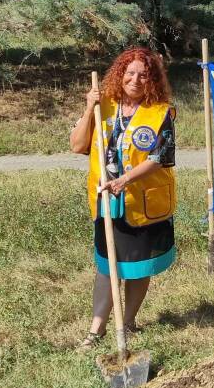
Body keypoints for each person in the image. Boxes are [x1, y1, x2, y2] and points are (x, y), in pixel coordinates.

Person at [69, 46, 177, 349]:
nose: (136, 79)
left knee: (138, 266)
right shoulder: (104, 105)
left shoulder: (161, 112)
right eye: (130, 72)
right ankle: (96, 330)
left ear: (152, 79)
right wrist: (89, 108)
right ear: (120, 74)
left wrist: (125, 180)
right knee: (108, 265)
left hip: (142, 199)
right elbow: (77, 146)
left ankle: (128, 321)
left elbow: (160, 156)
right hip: (107, 201)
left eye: (144, 74)